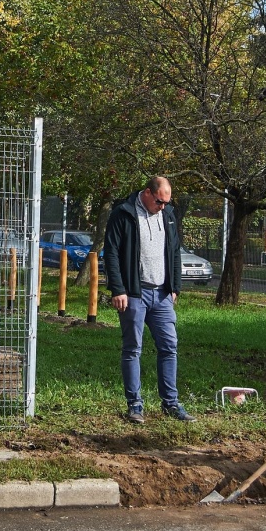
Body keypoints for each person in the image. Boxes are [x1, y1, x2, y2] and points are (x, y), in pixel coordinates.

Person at [103, 176, 195, 423]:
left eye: (166, 202)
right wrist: (118, 289)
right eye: (159, 201)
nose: (162, 206)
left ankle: (171, 403)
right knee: (133, 348)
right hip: (134, 293)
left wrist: (175, 286)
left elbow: (175, 251)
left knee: (169, 347)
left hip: (163, 294)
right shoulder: (123, 213)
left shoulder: (169, 216)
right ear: (147, 192)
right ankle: (135, 405)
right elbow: (110, 252)